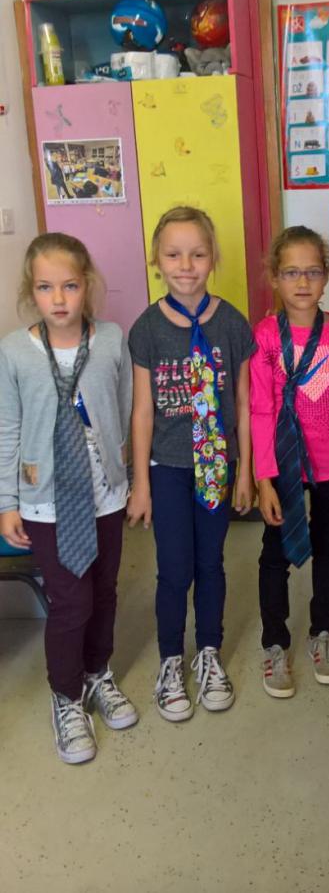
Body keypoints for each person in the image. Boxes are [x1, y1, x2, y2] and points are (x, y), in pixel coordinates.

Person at [0, 233, 137, 765]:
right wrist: (7, 502)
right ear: (30, 290)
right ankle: (66, 694)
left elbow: (123, 409)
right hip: (45, 501)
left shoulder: (111, 339)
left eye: (70, 286)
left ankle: (98, 672)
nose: (58, 299)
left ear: (87, 285)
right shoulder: (14, 351)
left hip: (104, 493)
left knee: (103, 591)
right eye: (45, 287)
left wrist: (130, 480)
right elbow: (8, 429)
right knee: (71, 600)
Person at [127, 206, 254, 721]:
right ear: (157, 260)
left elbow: (243, 403)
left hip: (217, 463)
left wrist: (245, 472)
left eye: (197, 254)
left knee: (210, 563)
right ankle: (169, 659)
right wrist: (141, 483)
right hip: (168, 467)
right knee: (175, 568)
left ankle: (209, 653)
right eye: (174, 254)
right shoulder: (147, 328)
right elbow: (142, 411)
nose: (186, 265)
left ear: (213, 258)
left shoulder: (232, 323)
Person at [250, 225, 329, 699]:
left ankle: (322, 632)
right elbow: (260, 409)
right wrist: (264, 477)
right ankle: (274, 642)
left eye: (313, 272)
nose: (302, 282)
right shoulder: (265, 337)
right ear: (274, 278)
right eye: (291, 272)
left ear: (326, 277)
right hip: (282, 464)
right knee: (275, 552)